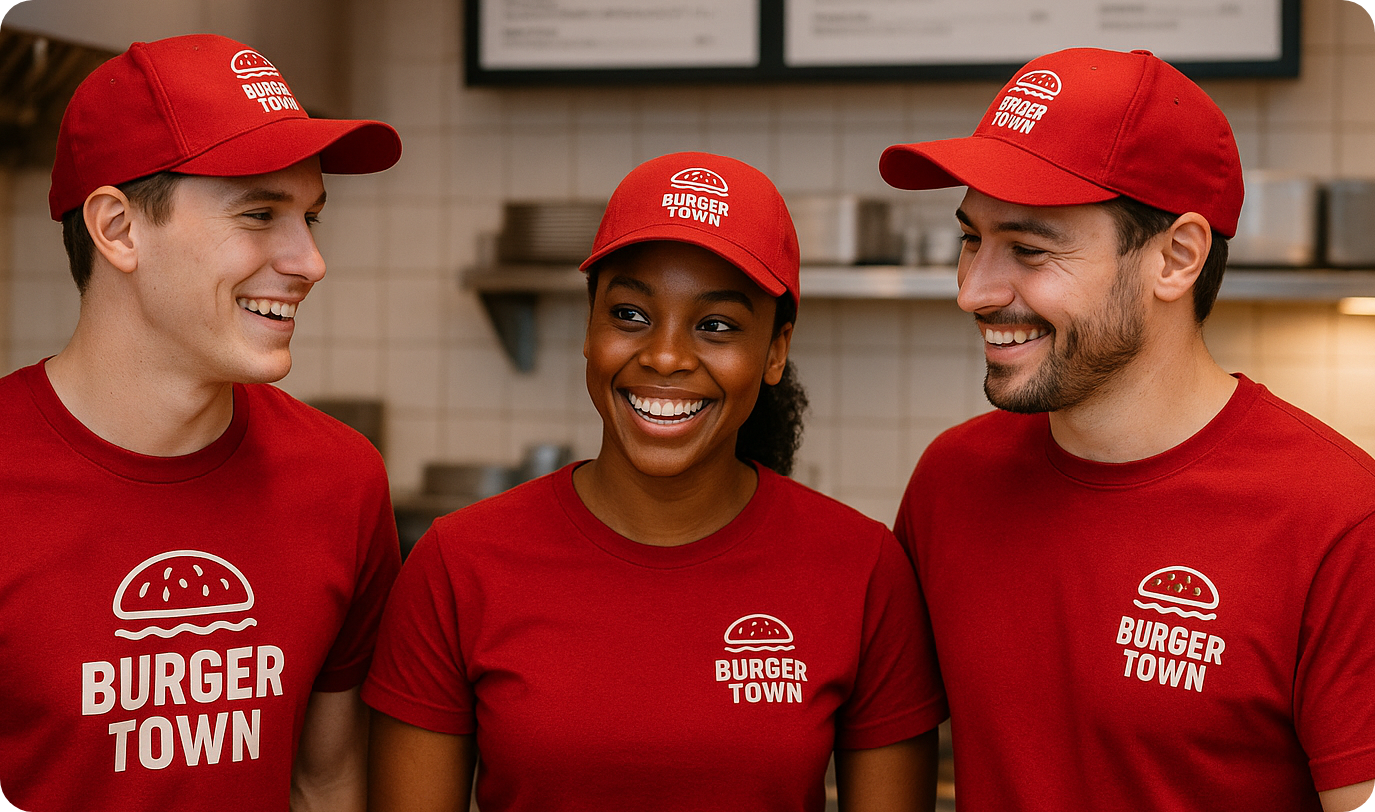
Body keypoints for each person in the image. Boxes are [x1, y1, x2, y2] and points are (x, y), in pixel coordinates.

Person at [362, 151, 948, 811]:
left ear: (775, 351)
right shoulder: (456, 565)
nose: (665, 355)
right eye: (630, 315)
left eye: (716, 326)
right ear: (589, 328)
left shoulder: (863, 570)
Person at [880, 47, 1375, 812]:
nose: (972, 290)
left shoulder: (1340, 525)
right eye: (970, 239)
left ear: (1175, 257)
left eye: (1029, 248)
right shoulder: (951, 480)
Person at [0, 34, 404, 812]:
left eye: (311, 217)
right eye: (260, 214)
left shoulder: (341, 480)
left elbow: (325, 781)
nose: (310, 261)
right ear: (118, 229)